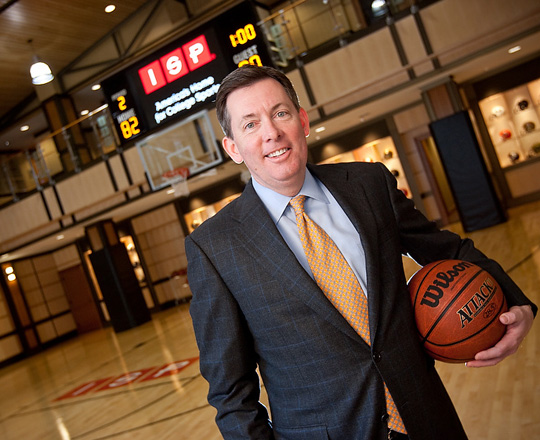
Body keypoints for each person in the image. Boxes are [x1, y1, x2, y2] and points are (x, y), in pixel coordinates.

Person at [185, 65, 536, 440]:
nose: (271, 133)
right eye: (250, 124)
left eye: (280, 113)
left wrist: (517, 305)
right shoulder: (215, 246)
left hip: (426, 416)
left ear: (302, 121)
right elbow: (230, 392)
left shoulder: (369, 185)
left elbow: (450, 250)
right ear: (233, 148)